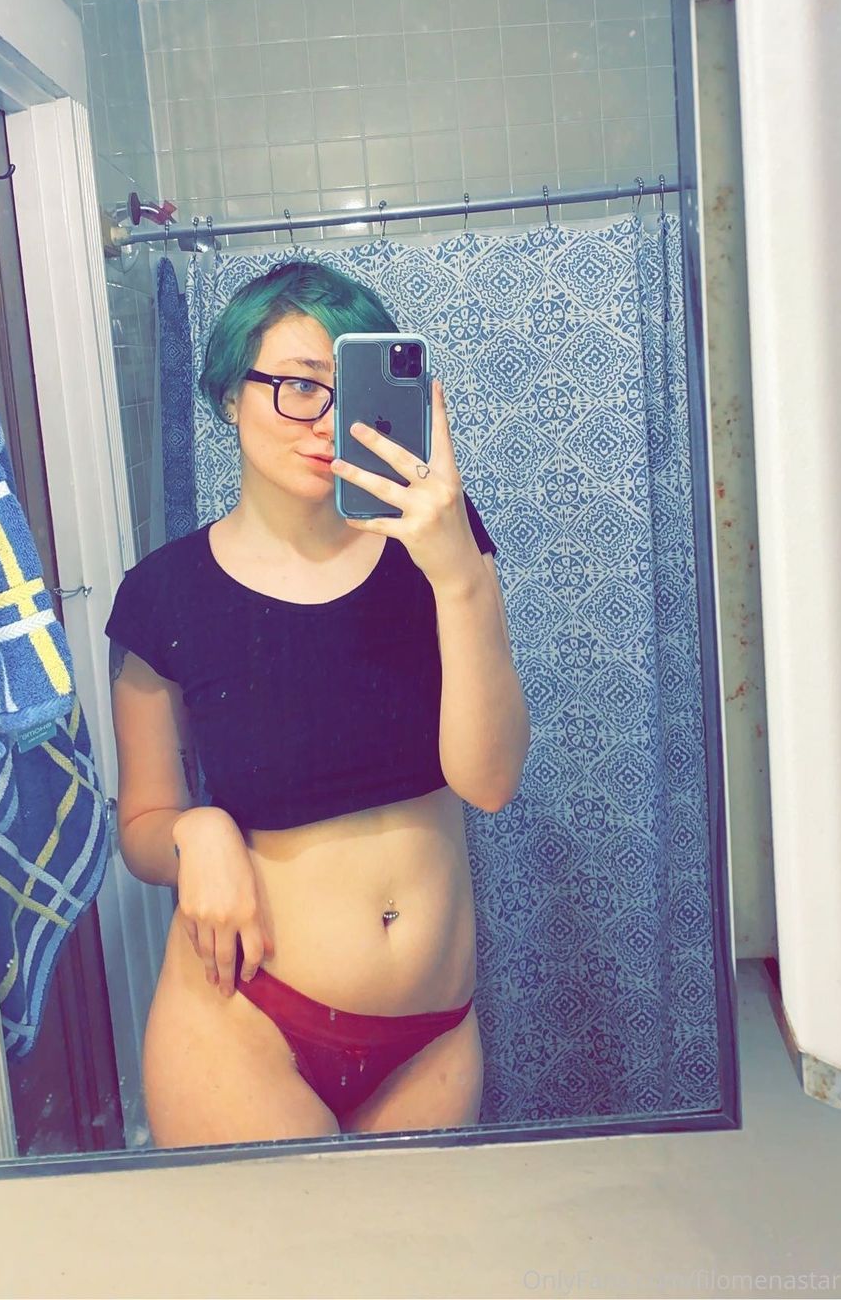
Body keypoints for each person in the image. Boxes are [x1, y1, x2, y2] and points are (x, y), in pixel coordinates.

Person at [106, 260, 530, 1146]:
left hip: (431, 1032)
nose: (328, 423)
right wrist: (197, 832)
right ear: (231, 396)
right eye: (298, 387)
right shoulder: (162, 595)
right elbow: (142, 822)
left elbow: (489, 783)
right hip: (242, 1020)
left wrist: (457, 574)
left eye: (349, 392)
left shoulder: (441, 546)